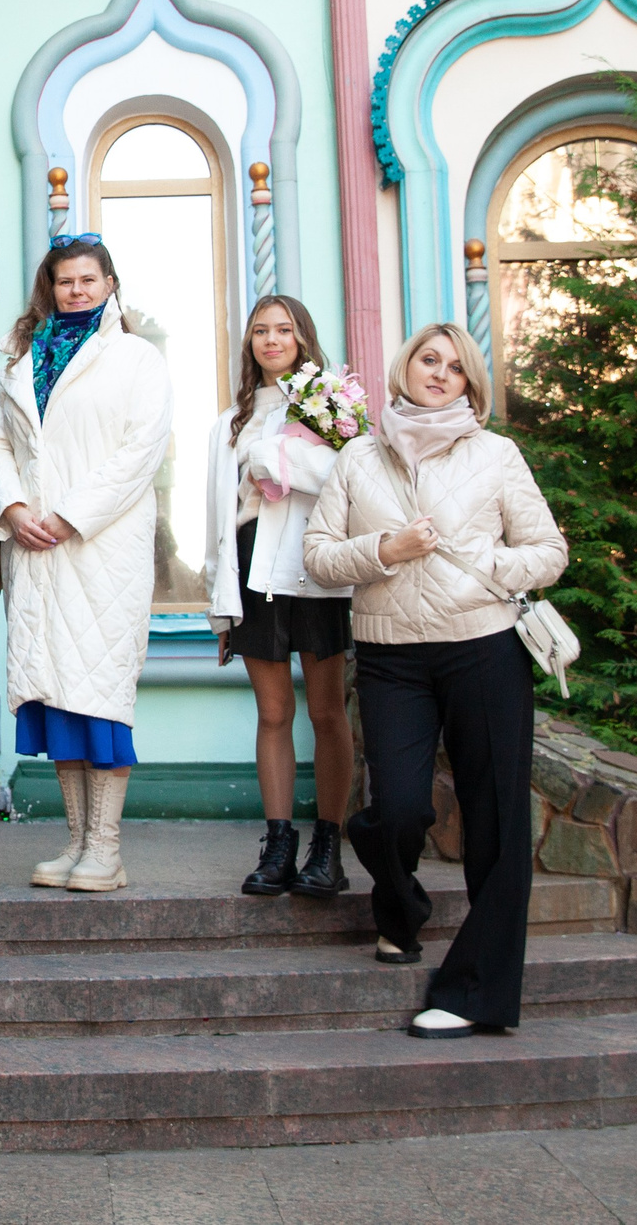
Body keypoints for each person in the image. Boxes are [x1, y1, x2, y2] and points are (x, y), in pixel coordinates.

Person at [303, 323, 568, 1038]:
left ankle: (477, 991)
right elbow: (318, 556)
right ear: (406, 365)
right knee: (394, 810)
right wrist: (385, 548)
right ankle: (399, 909)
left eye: (456, 367)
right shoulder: (360, 455)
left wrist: (494, 568)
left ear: (470, 384)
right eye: (430, 359)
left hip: (484, 648)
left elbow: (548, 549)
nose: (440, 373)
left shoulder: (497, 454)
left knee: (497, 823)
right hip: (391, 655)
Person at [0, 235, 172, 893]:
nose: (78, 290)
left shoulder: (136, 359)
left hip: (99, 550)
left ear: (111, 282)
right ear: (50, 287)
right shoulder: (23, 359)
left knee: (101, 693)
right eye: (66, 281)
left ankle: (107, 849)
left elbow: (141, 453)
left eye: (90, 278)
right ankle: (76, 843)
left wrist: (68, 514)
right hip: (35, 549)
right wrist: (14, 506)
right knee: (56, 691)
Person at [205, 295, 357, 900]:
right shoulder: (230, 423)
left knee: (326, 712)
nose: (271, 340)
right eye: (260, 331)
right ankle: (278, 846)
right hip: (252, 571)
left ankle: (328, 847)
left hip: (317, 569)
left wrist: (276, 458)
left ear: (302, 337)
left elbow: (347, 481)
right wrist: (221, 603)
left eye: (284, 329)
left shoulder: (333, 407)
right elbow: (217, 518)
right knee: (273, 713)